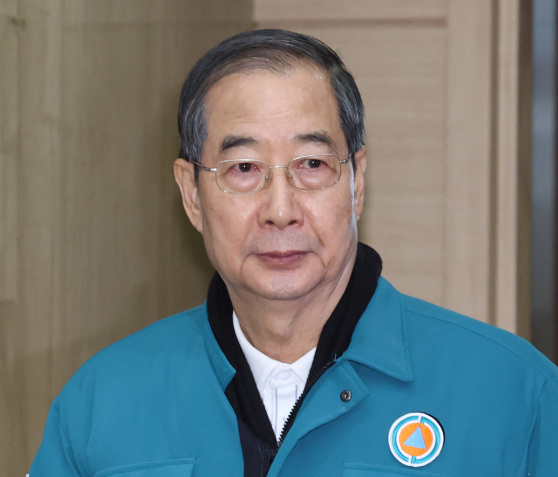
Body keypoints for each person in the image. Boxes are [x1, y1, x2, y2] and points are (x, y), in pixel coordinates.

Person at [28, 29, 558, 477]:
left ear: (356, 182)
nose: (280, 210)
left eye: (311, 164)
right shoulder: (101, 402)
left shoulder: (513, 393)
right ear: (191, 194)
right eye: (243, 169)